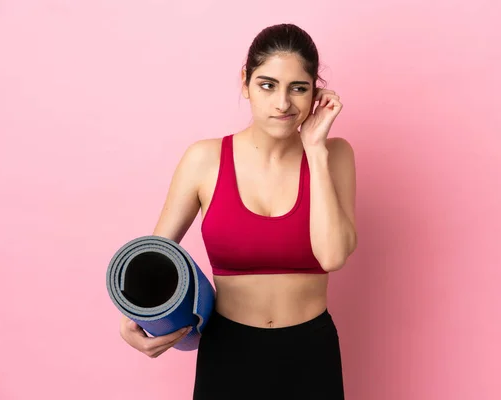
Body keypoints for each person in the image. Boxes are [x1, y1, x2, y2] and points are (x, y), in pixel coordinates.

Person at [119, 23, 357, 399]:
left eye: (299, 88)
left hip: (310, 354)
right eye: (267, 85)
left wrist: (315, 148)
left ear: (316, 93)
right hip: (228, 352)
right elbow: (154, 259)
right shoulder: (204, 159)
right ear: (245, 82)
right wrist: (130, 320)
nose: (283, 103)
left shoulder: (334, 155)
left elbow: (331, 255)